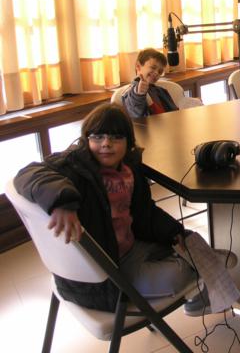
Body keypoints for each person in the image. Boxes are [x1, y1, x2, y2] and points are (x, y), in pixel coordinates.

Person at [13, 103, 197, 312]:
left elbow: (143, 213)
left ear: (128, 142)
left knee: (194, 247)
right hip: (103, 277)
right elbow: (28, 173)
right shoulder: (75, 166)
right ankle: (194, 285)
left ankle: (200, 284)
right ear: (86, 138)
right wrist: (62, 202)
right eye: (98, 137)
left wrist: (172, 230)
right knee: (181, 274)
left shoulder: (129, 168)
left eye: (116, 137)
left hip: (127, 247)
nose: (106, 144)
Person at [121, 48, 179, 118]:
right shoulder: (130, 92)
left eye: (160, 72)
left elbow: (175, 113)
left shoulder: (161, 91)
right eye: (153, 67)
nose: (156, 73)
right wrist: (139, 94)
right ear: (138, 67)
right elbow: (135, 113)